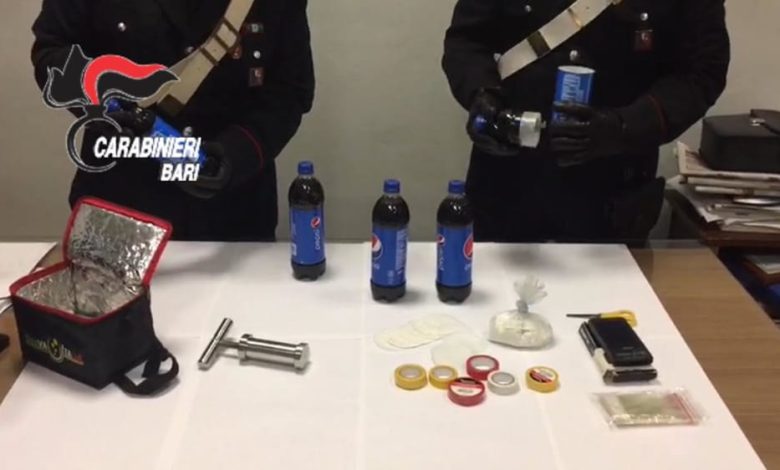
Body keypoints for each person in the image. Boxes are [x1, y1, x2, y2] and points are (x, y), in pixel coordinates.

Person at [442, 0, 729, 243]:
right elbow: (467, 41)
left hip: (613, 190)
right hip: (508, 182)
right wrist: (482, 94)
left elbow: (701, 72)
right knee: (490, 293)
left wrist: (625, 126)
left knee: (615, 295)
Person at [31, 0, 315, 241]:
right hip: (119, 207)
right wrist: (107, 106)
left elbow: (289, 89)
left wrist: (236, 154)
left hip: (233, 215)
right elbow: (53, 50)